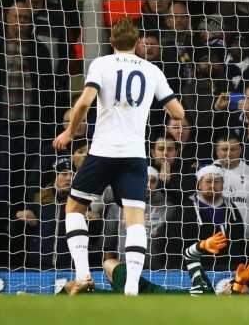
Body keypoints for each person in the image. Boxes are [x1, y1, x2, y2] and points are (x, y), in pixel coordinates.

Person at [52, 17, 185, 295]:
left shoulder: (101, 64)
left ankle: (84, 274)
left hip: (103, 151)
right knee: (135, 219)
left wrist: (68, 133)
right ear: (137, 43)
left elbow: (84, 102)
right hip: (134, 155)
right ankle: (133, 286)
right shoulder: (152, 70)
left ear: (111, 42)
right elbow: (178, 113)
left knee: (74, 208)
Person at [62, 232, 249, 296]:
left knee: (72, 288)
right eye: (233, 284)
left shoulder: (215, 305)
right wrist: (203, 245)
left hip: (140, 301)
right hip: (146, 289)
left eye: (239, 292)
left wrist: (239, 286)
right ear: (225, 285)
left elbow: (228, 304)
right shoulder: (205, 289)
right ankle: (115, 289)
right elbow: (190, 256)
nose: (233, 288)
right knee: (109, 263)